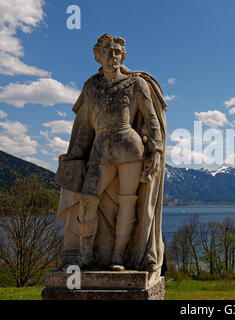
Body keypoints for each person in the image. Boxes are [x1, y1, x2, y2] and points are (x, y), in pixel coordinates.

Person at [56, 34, 167, 276]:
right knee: (87, 198)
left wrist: (156, 148)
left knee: (128, 201)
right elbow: (84, 128)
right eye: (108, 51)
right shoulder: (90, 87)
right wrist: (73, 157)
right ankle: (85, 255)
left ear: (122, 56)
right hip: (100, 150)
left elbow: (151, 118)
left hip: (131, 149)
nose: (113, 56)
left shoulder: (136, 84)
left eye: (117, 52)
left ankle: (118, 255)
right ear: (98, 55)